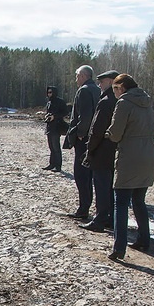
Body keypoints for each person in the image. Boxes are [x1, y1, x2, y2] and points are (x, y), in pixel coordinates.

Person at [105, 74, 154, 260]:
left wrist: (108, 134)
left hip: (130, 157)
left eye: (115, 90)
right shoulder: (147, 102)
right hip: (148, 156)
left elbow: (116, 133)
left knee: (120, 202)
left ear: (122, 88)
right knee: (139, 201)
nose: (115, 94)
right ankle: (144, 239)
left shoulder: (124, 103)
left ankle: (119, 247)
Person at [80, 70, 119, 231]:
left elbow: (97, 129)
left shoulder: (106, 101)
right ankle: (110, 218)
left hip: (102, 151)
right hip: (113, 150)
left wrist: (90, 148)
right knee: (110, 187)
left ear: (110, 82)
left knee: (102, 186)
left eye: (102, 82)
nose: (99, 85)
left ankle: (100, 220)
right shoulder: (118, 100)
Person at [67, 66, 101, 218]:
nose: (75, 79)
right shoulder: (98, 90)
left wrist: (80, 133)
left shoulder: (84, 90)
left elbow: (85, 115)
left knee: (81, 175)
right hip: (94, 137)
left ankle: (83, 209)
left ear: (83, 75)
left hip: (84, 138)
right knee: (89, 174)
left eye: (77, 76)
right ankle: (87, 207)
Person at [42, 86, 68, 171]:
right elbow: (49, 112)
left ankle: (58, 166)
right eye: (48, 92)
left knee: (56, 147)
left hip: (57, 126)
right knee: (51, 147)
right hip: (49, 127)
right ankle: (51, 164)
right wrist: (47, 116)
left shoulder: (60, 102)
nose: (49, 94)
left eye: (51, 92)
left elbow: (65, 112)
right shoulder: (49, 102)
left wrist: (55, 116)